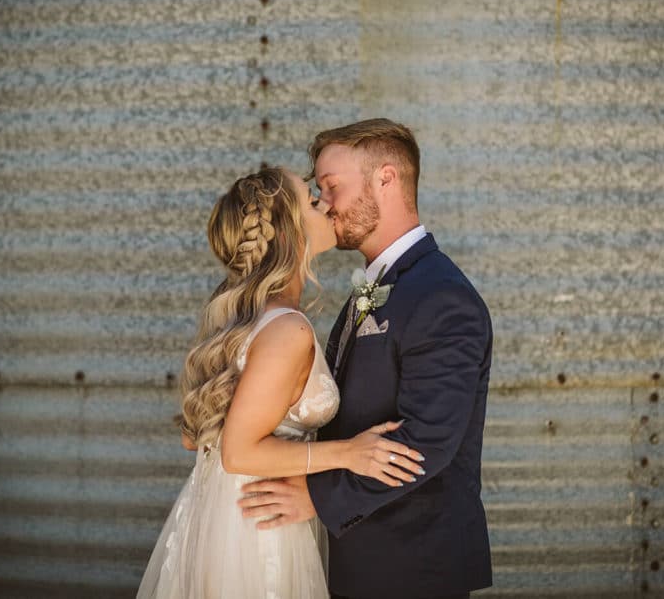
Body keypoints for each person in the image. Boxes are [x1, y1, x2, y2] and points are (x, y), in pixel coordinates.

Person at [136, 166, 425, 599]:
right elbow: (237, 451)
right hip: (260, 529)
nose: (326, 204)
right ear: (288, 234)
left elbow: (193, 439)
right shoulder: (287, 330)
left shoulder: (239, 322)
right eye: (312, 201)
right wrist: (348, 453)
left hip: (222, 514)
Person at [238, 120, 494, 599]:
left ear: (386, 179)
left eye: (332, 187)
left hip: (410, 564)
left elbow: (428, 441)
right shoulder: (374, 287)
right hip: (364, 556)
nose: (324, 204)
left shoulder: (441, 297)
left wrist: (316, 497)